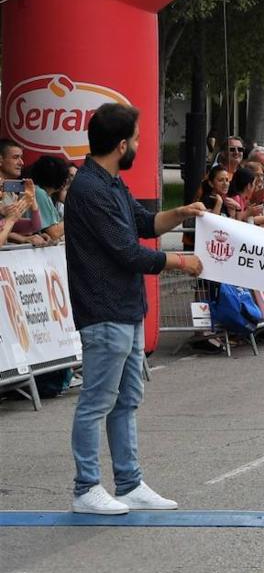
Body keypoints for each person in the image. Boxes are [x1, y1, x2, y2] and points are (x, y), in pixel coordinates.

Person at [67, 104, 206, 515]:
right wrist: (181, 262)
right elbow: (127, 252)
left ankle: (128, 482)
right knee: (97, 401)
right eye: (140, 139)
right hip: (103, 309)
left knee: (127, 398)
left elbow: (144, 224)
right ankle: (86, 487)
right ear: (122, 144)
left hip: (127, 308)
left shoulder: (111, 182)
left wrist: (180, 213)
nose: (141, 146)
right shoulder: (90, 189)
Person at [0, 139, 47, 246]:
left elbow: (34, 226)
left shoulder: (10, 192)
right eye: (15, 157)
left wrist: (31, 198)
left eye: (21, 158)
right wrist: (22, 239)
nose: (21, 162)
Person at [28, 155, 72, 243]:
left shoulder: (45, 194)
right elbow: (54, 233)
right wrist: (74, 215)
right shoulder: (39, 193)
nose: (66, 182)